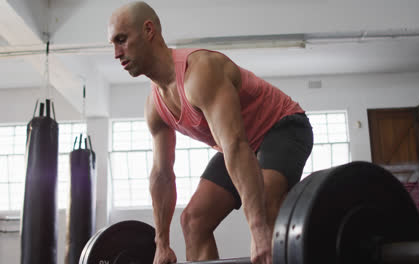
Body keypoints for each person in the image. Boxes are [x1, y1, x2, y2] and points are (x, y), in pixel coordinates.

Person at [108, 2, 313, 264]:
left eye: (121, 40)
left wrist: (259, 231)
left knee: (267, 198)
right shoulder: (155, 107)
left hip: (283, 126)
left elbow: (236, 145)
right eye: (112, 44)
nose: (116, 53)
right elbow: (162, 174)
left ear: (148, 30)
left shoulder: (200, 72)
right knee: (193, 221)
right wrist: (161, 243)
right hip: (241, 143)